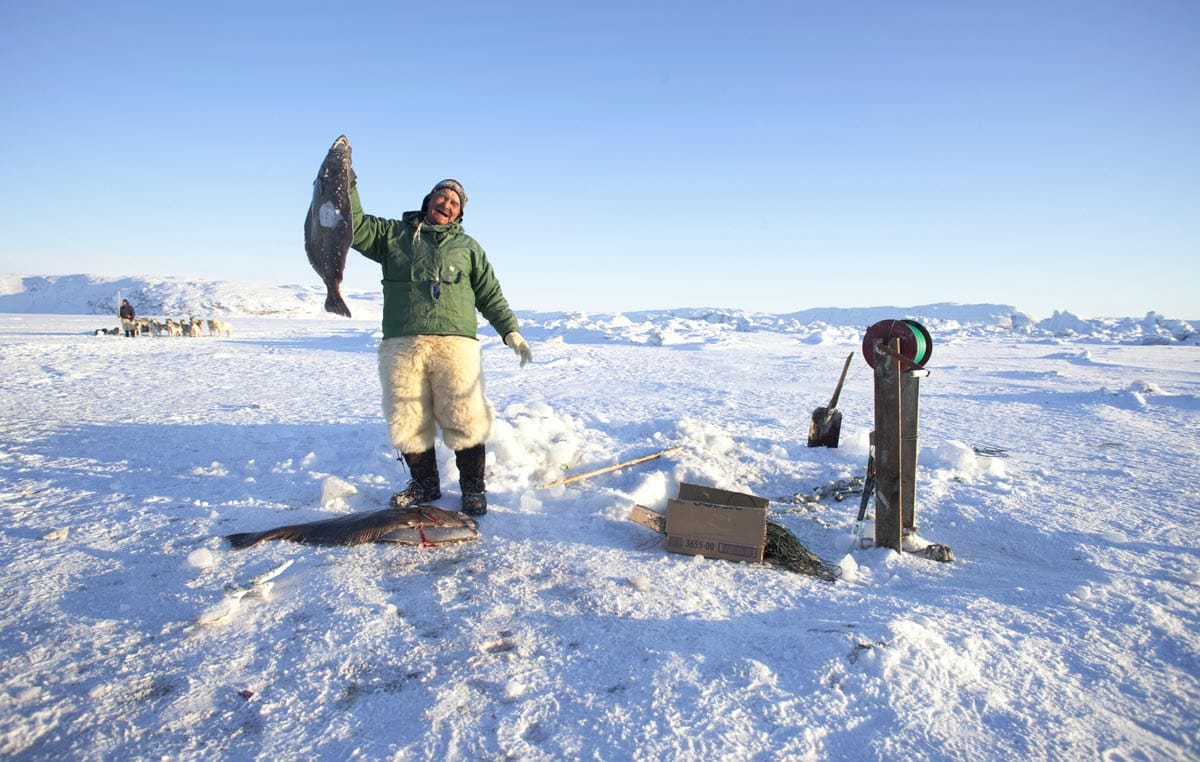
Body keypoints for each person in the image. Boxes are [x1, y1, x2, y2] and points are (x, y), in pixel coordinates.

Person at [350, 174, 531, 516]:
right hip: (404, 342)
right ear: (428, 200)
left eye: (454, 202)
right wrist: (347, 184)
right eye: (442, 197)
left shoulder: (469, 248)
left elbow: (489, 293)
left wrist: (511, 332)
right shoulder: (393, 235)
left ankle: (473, 489)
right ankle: (425, 483)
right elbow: (356, 227)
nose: (446, 204)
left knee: (464, 414)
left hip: (455, 344)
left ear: (459, 213)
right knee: (407, 417)